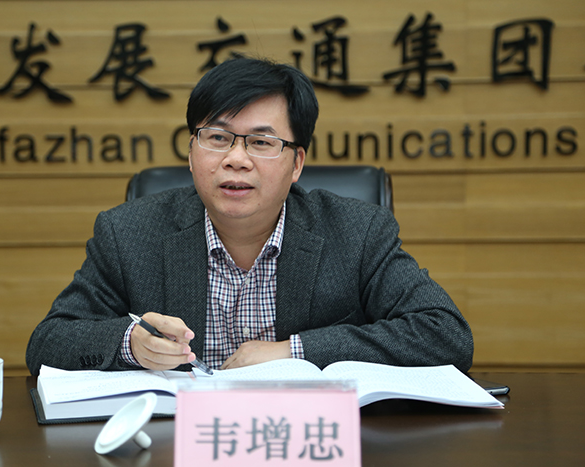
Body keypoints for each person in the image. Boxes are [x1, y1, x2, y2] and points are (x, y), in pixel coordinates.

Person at [25, 57, 473, 376]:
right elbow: (48, 342)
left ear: (296, 164)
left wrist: (293, 351)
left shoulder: (357, 233)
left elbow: (445, 334)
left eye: (261, 143)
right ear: (191, 151)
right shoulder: (128, 233)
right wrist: (131, 344)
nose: (236, 159)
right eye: (217, 137)